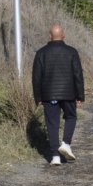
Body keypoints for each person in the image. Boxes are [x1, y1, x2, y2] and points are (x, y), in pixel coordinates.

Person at [32, 25, 84, 165]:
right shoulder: (72, 52)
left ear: (50, 36)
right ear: (63, 36)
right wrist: (80, 96)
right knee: (71, 117)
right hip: (69, 94)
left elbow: (36, 77)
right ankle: (66, 143)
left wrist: (38, 97)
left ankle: (55, 155)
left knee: (52, 123)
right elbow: (78, 75)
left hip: (49, 95)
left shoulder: (41, 53)